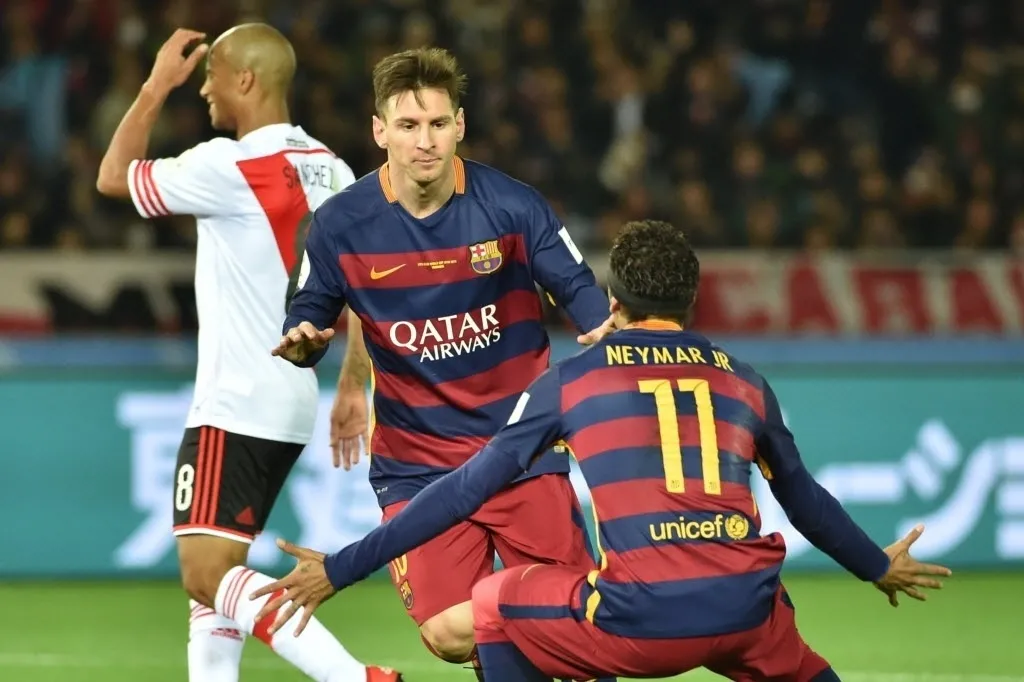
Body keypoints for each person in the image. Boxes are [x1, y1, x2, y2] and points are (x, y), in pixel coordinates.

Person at [255, 219, 953, 681]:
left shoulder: (572, 384)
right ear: (692, 302)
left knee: (494, 599)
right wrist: (874, 567)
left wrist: (343, 568)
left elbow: (465, 490)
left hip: (642, 623)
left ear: (611, 301)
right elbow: (802, 498)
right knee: (793, 654)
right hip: (747, 608)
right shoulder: (747, 381)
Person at [272, 46, 615, 671]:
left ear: (460, 124)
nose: (424, 141)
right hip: (418, 466)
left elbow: (577, 286)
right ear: (380, 131)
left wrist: (599, 329)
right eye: (407, 125)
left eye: (436, 124)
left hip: (522, 455)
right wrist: (303, 341)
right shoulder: (340, 225)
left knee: (580, 625)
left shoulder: (512, 206)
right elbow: (309, 311)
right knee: (447, 635)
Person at [96, 24, 399, 682]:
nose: (201, 87)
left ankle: (356, 679)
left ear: (247, 81)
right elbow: (362, 291)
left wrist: (154, 86)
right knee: (215, 580)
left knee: (207, 573)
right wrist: (353, 386)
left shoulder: (226, 165)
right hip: (290, 402)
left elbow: (113, 177)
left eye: (213, 75)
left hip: (235, 400)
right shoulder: (337, 171)